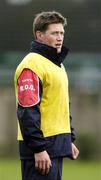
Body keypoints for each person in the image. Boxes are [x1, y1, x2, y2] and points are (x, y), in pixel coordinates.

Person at [14, 11, 79, 180]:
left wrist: (68, 139)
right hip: (42, 151)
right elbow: (27, 111)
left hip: (56, 146)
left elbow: (61, 105)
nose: (60, 37)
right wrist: (38, 149)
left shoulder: (58, 65)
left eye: (62, 33)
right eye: (54, 33)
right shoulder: (31, 65)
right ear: (39, 35)